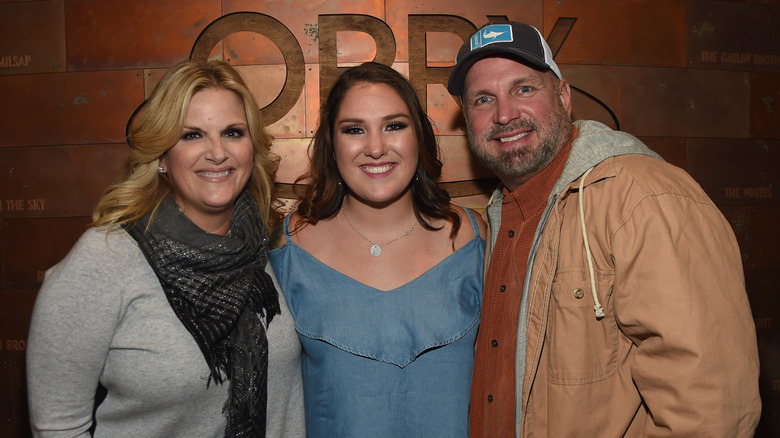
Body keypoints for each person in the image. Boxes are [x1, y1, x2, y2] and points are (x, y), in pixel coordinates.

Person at [447, 21, 762, 437]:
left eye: (524, 89)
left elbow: (710, 409)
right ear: (468, 118)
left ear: (563, 96)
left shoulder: (643, 197)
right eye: (483, 99)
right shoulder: (499, 217)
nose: (505, 114)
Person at [26, 60, 304, 438]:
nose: (217, 152)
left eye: (233, 132)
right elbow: (57, 426)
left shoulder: (261, 244)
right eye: (192, 135)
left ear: (251, 148)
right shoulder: (105, 259)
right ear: (160, 156)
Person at [269, 61, 487, 437]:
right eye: (354, 129)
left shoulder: (473, 236)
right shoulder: (288, 246)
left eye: (394, 126)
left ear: (418, 135)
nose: (375, 148)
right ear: (331, 144)